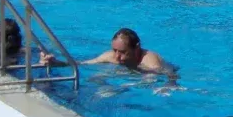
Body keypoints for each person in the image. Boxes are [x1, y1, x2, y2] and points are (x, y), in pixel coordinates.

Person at [41, 28, 175, 78]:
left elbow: (171, 73)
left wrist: (170, 85)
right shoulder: (110, 56)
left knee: (149, 79)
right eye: (114, 50)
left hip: (149, 73)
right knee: (96, 78)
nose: (117, 56)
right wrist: (56, 63)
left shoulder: (149, 60)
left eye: (122, 52)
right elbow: (81, 64)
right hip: (130, 72)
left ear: (137, 48)